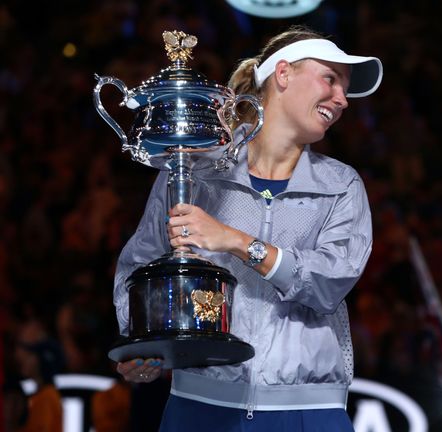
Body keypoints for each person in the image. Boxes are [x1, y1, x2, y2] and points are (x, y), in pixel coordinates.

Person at [113, 25, 382, 431]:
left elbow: (330, 282)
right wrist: (143, 342)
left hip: (308, 412)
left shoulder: (342, 184)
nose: (342, 99)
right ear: (284, 74)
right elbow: (139, 264)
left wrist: (237, 242)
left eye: (345, 89)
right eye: (330, 79)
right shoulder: (194, 168)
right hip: (201, 404)